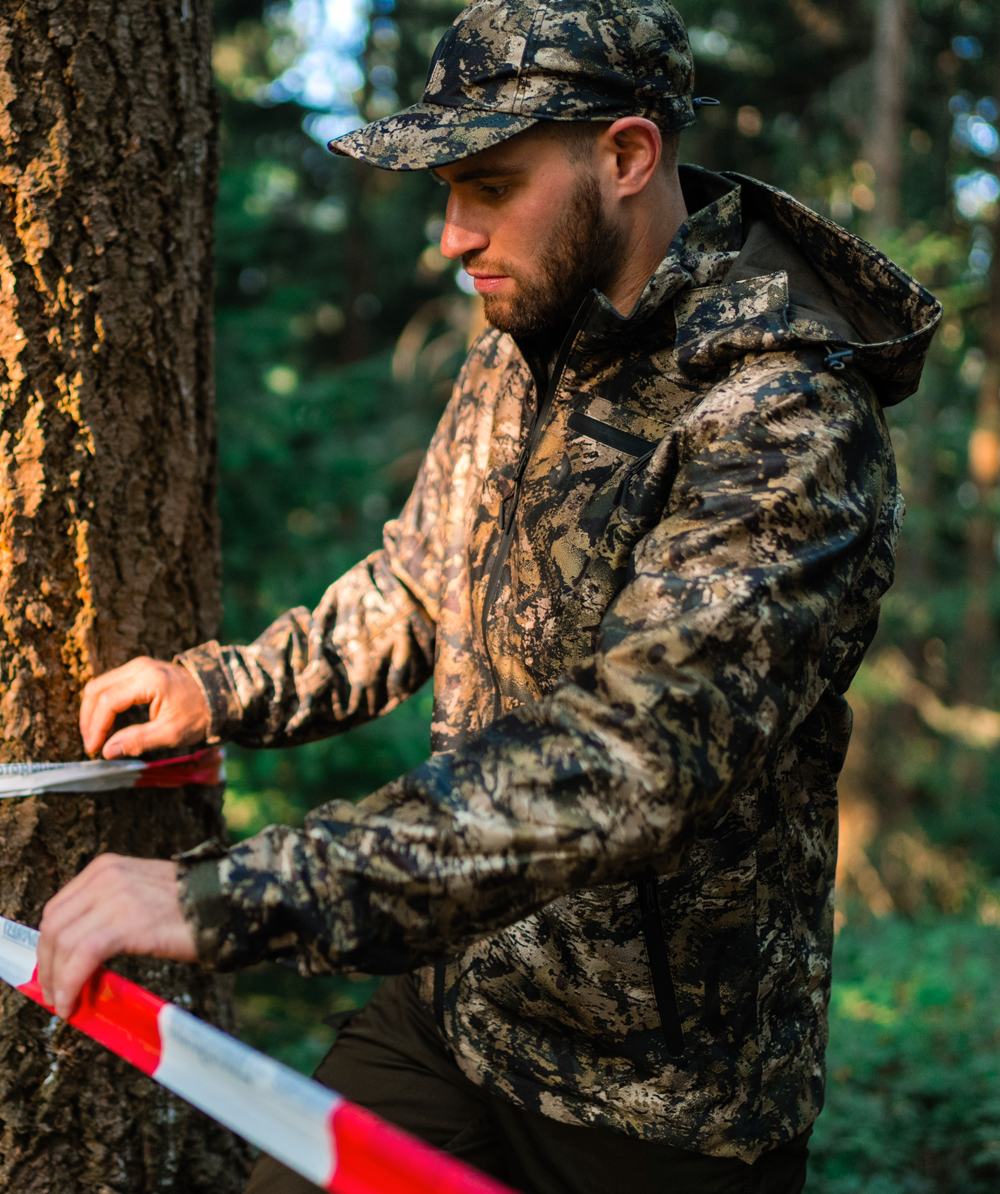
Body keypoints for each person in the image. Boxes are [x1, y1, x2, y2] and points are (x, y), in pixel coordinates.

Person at [36, 2, 941, 1191]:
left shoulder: (780, 417)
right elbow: (424, 579)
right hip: (456, 1011)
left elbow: (629, 765)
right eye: (444, 189)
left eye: (491, 183)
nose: (453, 237)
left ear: (625, 156)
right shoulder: (523, 332)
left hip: (656, 1107)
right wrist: (224, 687)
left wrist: (232, 894)